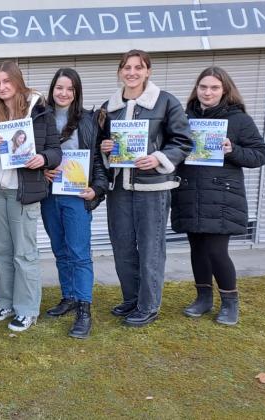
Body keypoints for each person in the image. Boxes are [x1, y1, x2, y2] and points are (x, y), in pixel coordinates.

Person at [98, 49, 193, 327]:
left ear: (148, 71)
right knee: (123, 246)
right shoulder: (110, 106)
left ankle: (149, 305)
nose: (132, 72)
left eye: (138, 67)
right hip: (120, 189)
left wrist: (158, 158)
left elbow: (183, 142)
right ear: (120, 71)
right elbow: (104, 144)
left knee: (151, 248)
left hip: (152, 188)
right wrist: (106, 149)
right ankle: (131, 299)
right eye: (127, 67)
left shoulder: (165, 102)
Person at [171, 66, 265, 325]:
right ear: (197, 89)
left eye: (214, 87)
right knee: (197, 250)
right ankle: (203, 299)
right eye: (203, 87)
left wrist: (232, 149)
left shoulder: (238, 120)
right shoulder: (184, 117)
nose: (208, 92)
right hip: (190, 193)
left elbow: (261, 153)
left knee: (216, 251)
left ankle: (230, 303)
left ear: (224, 90)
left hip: (222, 197)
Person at [0, 61, 61, 332]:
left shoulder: (40, 111)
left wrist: (43, 159)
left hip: (23, 192)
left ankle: (27, 309)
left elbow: (55, 151)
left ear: (18, 82)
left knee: (24, 253)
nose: (2, 87)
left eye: (7, 82)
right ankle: (5, 302)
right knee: (1, 251)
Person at [40, 68, 109, 339]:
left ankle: (84, 308)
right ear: (52, 89)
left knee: (79, 253)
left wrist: (98, 189)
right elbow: (35, 156)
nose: (64, 93)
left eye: (70, 89)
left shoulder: (89, 121)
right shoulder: (41, 117)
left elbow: (97, 162)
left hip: (77, 196)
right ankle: (68, 296)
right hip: (49, 195)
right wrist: (42, 170)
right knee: (60, 249)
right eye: (59, 88)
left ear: (77, 93)